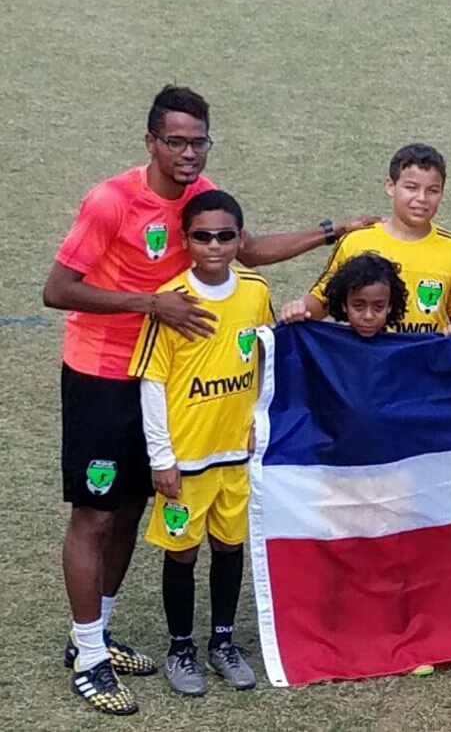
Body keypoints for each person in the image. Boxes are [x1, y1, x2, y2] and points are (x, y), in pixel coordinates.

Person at [44, 85, 376, 715]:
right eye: (176, 141)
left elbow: (248, 248)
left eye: (199, 141)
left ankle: (95, 635)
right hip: (102, 375)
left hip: (169, 383)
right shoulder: (111, 201)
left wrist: (333, 230)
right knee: (95, 516)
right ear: (150, 142)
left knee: (133, 505)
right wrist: (152, 303)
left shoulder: (203, 195)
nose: (189, 153)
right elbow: (57, 289)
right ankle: (87, 658)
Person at [127, 190, 271, 697]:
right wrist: (161, 457)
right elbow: (152, 382)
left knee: (229, 546)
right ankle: (181, 647)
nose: (214, 245)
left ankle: (223, 643)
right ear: (185, 239)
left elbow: (265, 359)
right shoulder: (171, 300)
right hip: (186, 460)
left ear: (239, 238)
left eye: (225, 236)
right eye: (203, 236)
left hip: (235, 453)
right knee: (183, 552)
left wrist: (259, 419)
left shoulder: (255, 291)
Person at [279, 144, 451, 334]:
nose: (422, 198)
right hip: (367, 353)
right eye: (411, 188)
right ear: (391, 186)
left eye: (432, 190)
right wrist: (300, 308)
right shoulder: (357, 241)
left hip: (428, 354)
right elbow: (325, 298)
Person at [324, 253, 409, 337]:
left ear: (390, 306)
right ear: (344, 305)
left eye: (378, 307)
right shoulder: (329, 341)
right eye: (358, 306)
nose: (368, 316)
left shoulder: (401, 344)